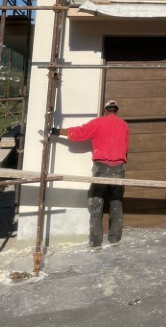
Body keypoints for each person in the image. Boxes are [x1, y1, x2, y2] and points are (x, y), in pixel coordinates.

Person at [50, 99, 130, 248]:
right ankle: (115, 239)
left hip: (102, 168)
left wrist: (56, 131)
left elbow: (79, 133)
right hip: (119, 168)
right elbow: (126, 148)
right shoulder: (124, 125)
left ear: (105, 110)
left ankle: (95, 241)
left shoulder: (98, 122)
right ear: (116, 111)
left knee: (96, 202)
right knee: (116, 202)